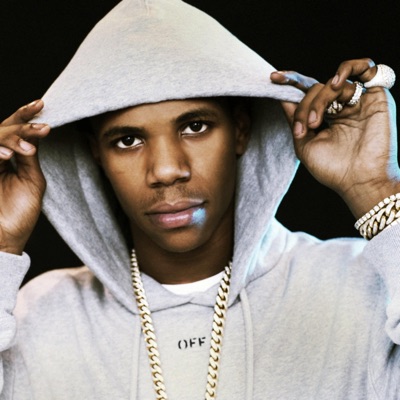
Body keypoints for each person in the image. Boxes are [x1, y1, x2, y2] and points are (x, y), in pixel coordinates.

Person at [0, 0, 399, 399]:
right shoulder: (36, 315)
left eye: (195, 127)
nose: (166, 170)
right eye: (128, 140)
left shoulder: (367, 288)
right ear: (96, 156)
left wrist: (375, 189)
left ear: (240, 130)